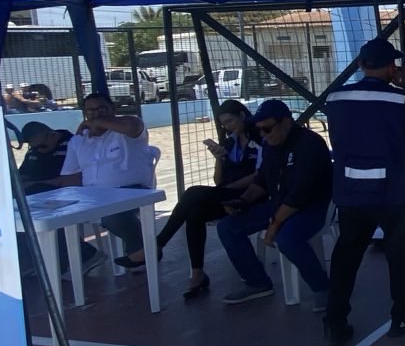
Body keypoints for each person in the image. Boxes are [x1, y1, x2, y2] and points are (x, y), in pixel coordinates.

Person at [323, 39, 405, 346]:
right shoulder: (399, 99)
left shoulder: (335, 97)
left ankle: (334, 322)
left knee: (346, 257)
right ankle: (402, 316)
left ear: (361, 65)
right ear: (390, 68)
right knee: (400, 256)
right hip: (391, 192)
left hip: (350, 190)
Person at [118, 100, 261, 299]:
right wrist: (219, 158)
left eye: (230, 121)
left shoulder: (260, 139)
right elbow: (218, 180)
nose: (228, 127)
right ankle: (197, 273)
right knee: (195, 212)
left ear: (242, 115)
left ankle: (157, 245)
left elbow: (259, 176)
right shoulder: (230, 142)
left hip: (250, 194)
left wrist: (227, 188)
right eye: (224, 124)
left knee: (193, 192)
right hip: (227, 193)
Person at [216, 100, 335, 309]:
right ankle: (257, 282)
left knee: (286, 238)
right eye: (259, 130)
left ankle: (323, 288)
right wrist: (242, 201)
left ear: (286, 122)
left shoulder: (310, 144)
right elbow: (261, 182)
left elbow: (300, 194)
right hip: (280, 203)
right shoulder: (271, 146)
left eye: (267, 129)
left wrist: (274, 225)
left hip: (314, 206)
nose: (263, 134)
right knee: (227, 227)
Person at [48, 92, 157, 257]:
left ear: (112, 109)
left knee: (113, 213)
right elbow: (70, 176)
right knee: (53, 217)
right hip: (92, 196)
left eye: (101, 109)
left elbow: (131, 127)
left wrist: (96, 122)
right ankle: (85, 257)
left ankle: (141, 253)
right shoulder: (78, 140)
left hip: (131, 191)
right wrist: (66, 200)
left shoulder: (129, 128)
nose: (96, 113)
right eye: (91, 111)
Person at [17, 122, 75, 193]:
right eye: (34, 147)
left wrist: (34, 184)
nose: (38, 150)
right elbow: (23, 174)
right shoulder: (33, 151)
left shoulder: (73, 145)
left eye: (42, 146)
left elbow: (68, 180)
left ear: (53, 135)